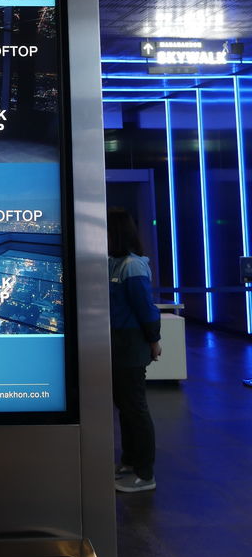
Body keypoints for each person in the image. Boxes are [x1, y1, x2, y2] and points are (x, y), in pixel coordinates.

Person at [108, 207, 162, 493]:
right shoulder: (114, 263)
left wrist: (154, 339)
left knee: (135, 408)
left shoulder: (132, 266)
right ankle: (130, 463)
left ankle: (145, 473)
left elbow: (145, 308)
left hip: (130, 345)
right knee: (126, 409)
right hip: (118, 345)